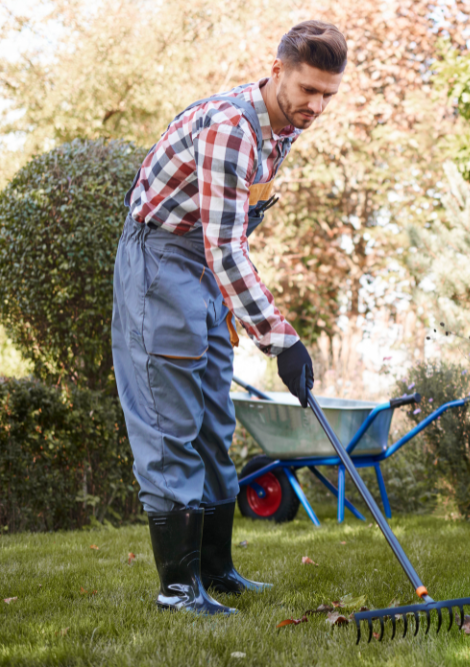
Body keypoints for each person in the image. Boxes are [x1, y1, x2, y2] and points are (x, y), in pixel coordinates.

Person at [111, 20, 346, 616]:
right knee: (172, 425)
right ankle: (177, 589)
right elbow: (225, 246)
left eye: (328, 94)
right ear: (277, 71)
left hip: (206, 271)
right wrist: (280, 339)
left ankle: (215, 571)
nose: (317, 106)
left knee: (214, 424)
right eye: (308, 90)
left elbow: (227, 235)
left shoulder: (281, 129)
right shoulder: (230, 129)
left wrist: (241, 311)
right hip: (162, 263)